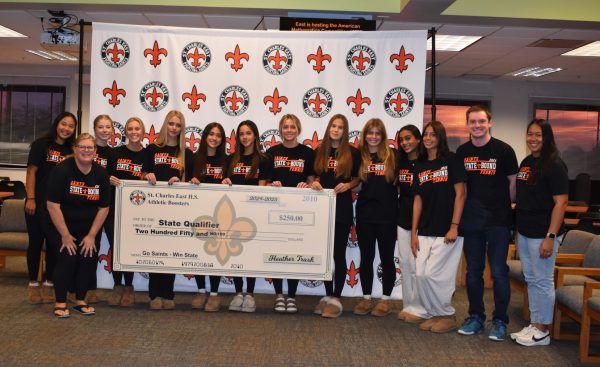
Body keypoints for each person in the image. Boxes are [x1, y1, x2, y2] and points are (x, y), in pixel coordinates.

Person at [455, 106, 518, 341]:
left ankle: (500, 321)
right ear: (468, 125)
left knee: (500, 272)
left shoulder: (504, 150)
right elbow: (461, 188)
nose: (477, 125)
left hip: (499, 222)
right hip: (472, 222)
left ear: (489, 122)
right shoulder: (462, 152)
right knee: (473, 273)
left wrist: (503, 206)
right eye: (473, 122)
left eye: (482, 121)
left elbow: (513, 185)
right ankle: (475, 317)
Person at [511, 119, 568, 347]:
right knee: (531, 279)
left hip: (543, 234)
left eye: (538, 135)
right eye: (530, 134)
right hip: (524, 232)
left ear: (547, 138)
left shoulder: (555, 165)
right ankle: (535, 324)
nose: (533, 139)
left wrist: (551, 237)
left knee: (543, 281)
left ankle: (543, 330)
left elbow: (561, 203)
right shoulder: (526, 162)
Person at [46, 133, 110, 317]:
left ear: (95, 151)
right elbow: (52, 205)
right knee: (67, 259)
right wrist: (65, 235)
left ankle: (80, 300)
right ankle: (60, 302)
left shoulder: (101, 173)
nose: (86, 151)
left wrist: (91, 236)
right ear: (74, 149)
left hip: (89, 228)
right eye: (82, 147)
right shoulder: (61, 170)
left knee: (87, 261)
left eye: (90, 147)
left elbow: (104, 208)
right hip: (62, 225)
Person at [411, 120, 466, 333]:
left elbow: (461, 194)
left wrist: (454, 226)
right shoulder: (421, 165)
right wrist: (413, 233)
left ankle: (447, 314)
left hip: (446, 230)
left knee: (437, 275)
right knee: (421, 274)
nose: (427, 138)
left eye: (432, 135)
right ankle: (435, 312)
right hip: (425, 228)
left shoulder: (452, 160)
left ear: (440, 137)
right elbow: (418, 201)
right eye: (425, 134)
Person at [262, 113, 315, 314]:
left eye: (293, 127)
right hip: (275, 209)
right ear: (280, 130)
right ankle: (278, 295)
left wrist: (307, 185)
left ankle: (291, 295)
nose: (289, 130)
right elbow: (264, 183)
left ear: (298, 129)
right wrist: (271, 185)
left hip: (299, 211)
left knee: (294, 253)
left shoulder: (308, 153)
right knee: (276, 251)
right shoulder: (271, 152)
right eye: (286, 127)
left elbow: (313, 182)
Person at [142, 110, 194, 310]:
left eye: (178, 125)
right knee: (156, 251)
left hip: (176, 209)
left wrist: (179, 182)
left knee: (171, 252)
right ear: (165, 125)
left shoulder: (186, 154)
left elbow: (189, 182)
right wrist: (147, 176)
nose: (174, 128)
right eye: (171, 124)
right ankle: (154, 294)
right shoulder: (152, 149)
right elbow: (142, 173)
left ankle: (168, 294)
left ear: (182, 128)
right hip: (154, 207)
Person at [310, 114, 360, 318]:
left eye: (340, 127)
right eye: (333, 126)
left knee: (339, 254)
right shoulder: (320, 151)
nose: (336, 130)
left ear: (344, 130)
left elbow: (358, 178)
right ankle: (327, 294)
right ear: (329, 128)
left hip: (343, 210)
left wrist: (348, 185)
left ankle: (336, 298)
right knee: (325, 256)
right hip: (322, 210)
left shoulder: (353, 153)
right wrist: (314, 182)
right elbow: (313, 175)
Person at [25, 112, 77, 304]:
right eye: (64, 124)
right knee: (36, 244)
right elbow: (31, 172)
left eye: (71, 126)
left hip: (58, 208)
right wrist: (30, 198)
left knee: (55, 246)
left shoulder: (72, 150)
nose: (66, 128)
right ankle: (32, 284)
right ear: (57, 124)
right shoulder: (41, 145)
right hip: (37, 203)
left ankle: (49, 284)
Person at [222, 120, 269, 313]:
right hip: (233, 213)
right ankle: (238, 291)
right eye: (241, 134)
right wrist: (225, 181)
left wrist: (253, 209)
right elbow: (227, 184)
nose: (245, 137)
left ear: (255, 135)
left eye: (248, 133)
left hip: (253, 212)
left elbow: (262, 187)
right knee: (235, 252)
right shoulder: (231, 159)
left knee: (250, 253)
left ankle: (249, 293)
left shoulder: (264, 160)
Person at [353, 118, 398, 317]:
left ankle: (386, 299)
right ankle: (366, 297)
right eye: (370, 133)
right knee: (367, 257)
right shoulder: (358, 156)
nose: (373, 137)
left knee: (387, 258)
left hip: (388, 215)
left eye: (377, 133)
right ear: (365, 135)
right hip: (365, 215)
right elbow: (354, 184)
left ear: (383, 135)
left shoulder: (393, 156)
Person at [105, 117, 146, 307]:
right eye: (130, 128)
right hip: (114, 208)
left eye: (137, 128)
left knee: (129, 248)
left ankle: (129, 286)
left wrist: (148, 177)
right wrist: (109, 179)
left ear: (142, 131)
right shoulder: (115, 153)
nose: (133, 131)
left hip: (137, 211)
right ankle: (117, 285)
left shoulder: (148, 155)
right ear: (125, 132)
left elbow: (151, 178)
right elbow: (103, 176)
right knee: (116, 247)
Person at [190, 122, 228, 312]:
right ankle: (201, 290)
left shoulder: (227, 161)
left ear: (223, 140)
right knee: (199, 251)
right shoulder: (193, 158)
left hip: (220, 214)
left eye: (218, 135)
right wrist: (190, 182)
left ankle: (214, 293)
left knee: (214, 251)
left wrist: (228, 181)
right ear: (204, 136)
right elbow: (183, 184)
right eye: (211, 134)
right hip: (198, 213)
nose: (214, 138)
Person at [395, 124, 426, 323]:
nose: (405, 143)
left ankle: (421, 307)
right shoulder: (400, 162)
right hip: (402, 217)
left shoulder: (427, 162)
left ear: (418, 139)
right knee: (406, 263)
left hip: (424, 220)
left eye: (408, 138)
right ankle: (408, 305)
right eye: (402, 140)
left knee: (420, 266)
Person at [84, 114, 115, 304]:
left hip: (108, 206)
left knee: (115, 244)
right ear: (95, 129)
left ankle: (119, 287)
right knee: (90, 249)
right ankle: (86, 288)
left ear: (112, 130)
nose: (104, 130)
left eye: (108, 127)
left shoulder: (115, 153)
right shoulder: (87, 151)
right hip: (89, 206)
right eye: (100, 127)